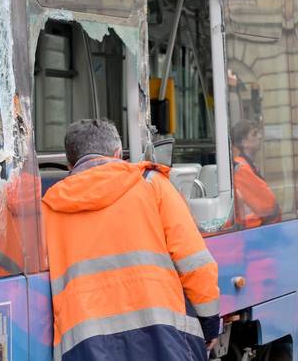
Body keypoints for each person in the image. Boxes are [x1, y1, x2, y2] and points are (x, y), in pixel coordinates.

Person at [42, 119, 220, 361]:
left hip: (86, 349)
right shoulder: (151, 184)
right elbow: (196, 264)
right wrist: (209, 323)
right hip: (164, 340)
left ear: (70, 164)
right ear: (118, 153)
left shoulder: (50, 207)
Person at [231, 120, 280, 228]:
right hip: (254, 230)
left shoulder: (248, 165)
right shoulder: (242, 169)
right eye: (254, 134)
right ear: (244, 143)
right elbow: (268, 205)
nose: (260, 136)